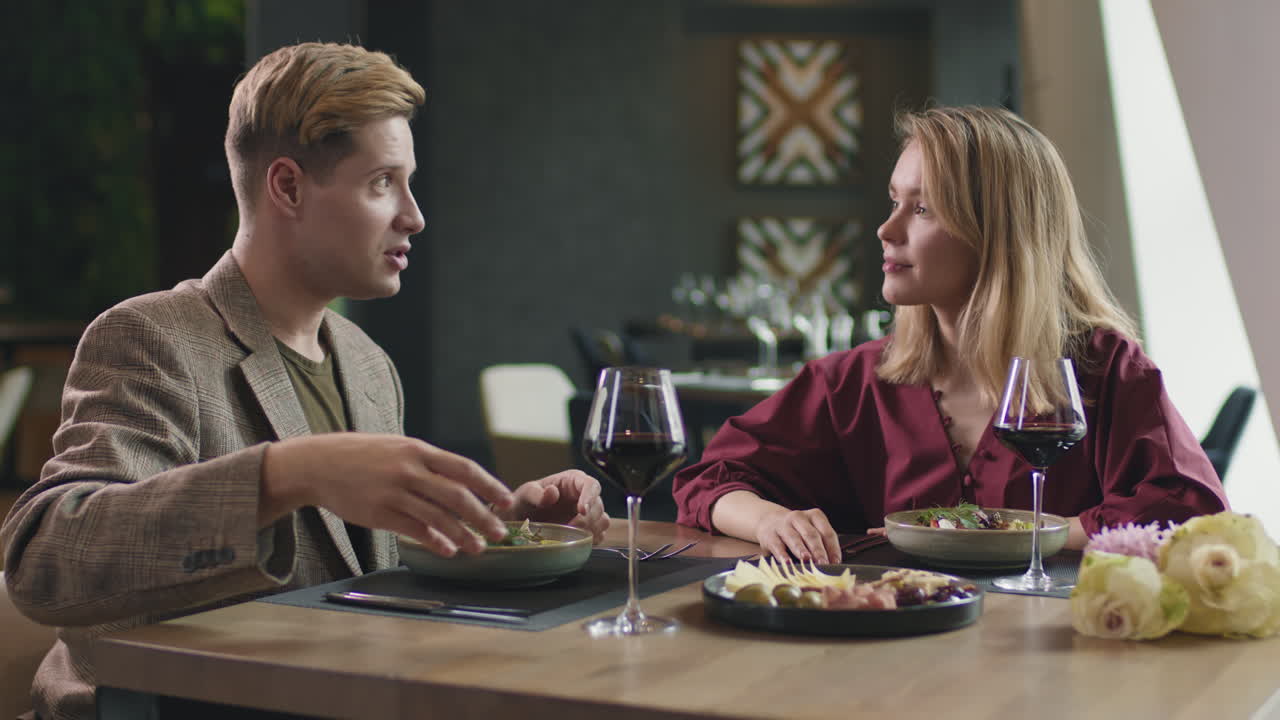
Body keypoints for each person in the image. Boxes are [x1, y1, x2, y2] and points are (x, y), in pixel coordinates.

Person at [0, 42, 607, 720]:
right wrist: (284, 475)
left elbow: (366, 578)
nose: (414, 215)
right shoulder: (150, 338)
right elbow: (45, 560)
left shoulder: (366, 362)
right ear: (286, 186)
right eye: (383, 182)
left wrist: (498, 530)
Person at [672, 105, 1228, 564]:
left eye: (922, 209)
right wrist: (772, 520)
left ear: (998, 232)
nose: (886, 231)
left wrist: (1021, 534)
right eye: (895, 201)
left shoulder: (1106, 371)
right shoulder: (853, 381)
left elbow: (1190, 516)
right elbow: (711, 480)